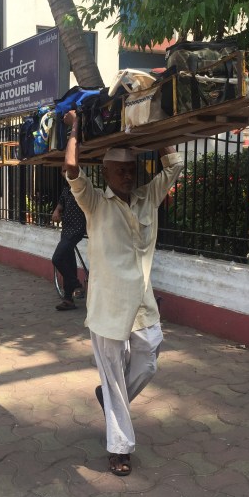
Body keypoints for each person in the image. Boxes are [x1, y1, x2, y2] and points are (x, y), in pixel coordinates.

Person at [62, 110, 183, 476]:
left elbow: (175, 166)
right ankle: (119, 448)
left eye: (132, 170)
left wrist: (156, 126)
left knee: (148, 360)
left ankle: (111, 398)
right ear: (106, 173)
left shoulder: (148, 197)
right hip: (107, 307)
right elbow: (72, 169)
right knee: (113, 375)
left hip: (143, 305)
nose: (128, 176)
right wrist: (75, 127)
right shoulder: (94, 201)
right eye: (120, 171)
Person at [51, 167, 86, 311]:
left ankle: (76, 284)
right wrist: (56, 211)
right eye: (62, 171)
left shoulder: (82, 186)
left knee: (57, 258)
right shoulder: (66, 189)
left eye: (67, 170)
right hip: (66, 229)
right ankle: (68, 299)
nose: (65, 173)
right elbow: (60, 204)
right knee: (68, 262)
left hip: (77, 229)